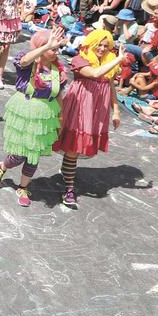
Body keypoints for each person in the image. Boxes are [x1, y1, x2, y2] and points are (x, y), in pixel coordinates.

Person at [0, 27, 68, 207]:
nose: (55, 52)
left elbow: (58, 95)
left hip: (45, 115)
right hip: (25, 111)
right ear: (40, 46)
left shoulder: (57, 70)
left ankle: (23, 186)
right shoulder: (28, 63)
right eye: (52, 49)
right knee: (18, 155)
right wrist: (46, 45)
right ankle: (3, 167)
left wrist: (60, 118)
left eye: (57, 49)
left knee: (33, 156)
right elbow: (25, 60)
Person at [52, 29, 124, 209]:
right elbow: (93, 74)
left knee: (74, 149)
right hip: (80, 106)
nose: (102, 48)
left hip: (97, 109)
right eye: (98, 44)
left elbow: (110, 85)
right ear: (91, 43)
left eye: (106, 46)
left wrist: (116, 110)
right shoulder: (79, 58)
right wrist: (118, 59)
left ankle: (67, 175)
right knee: (73, 147)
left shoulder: (108, 62)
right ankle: (69, 188)